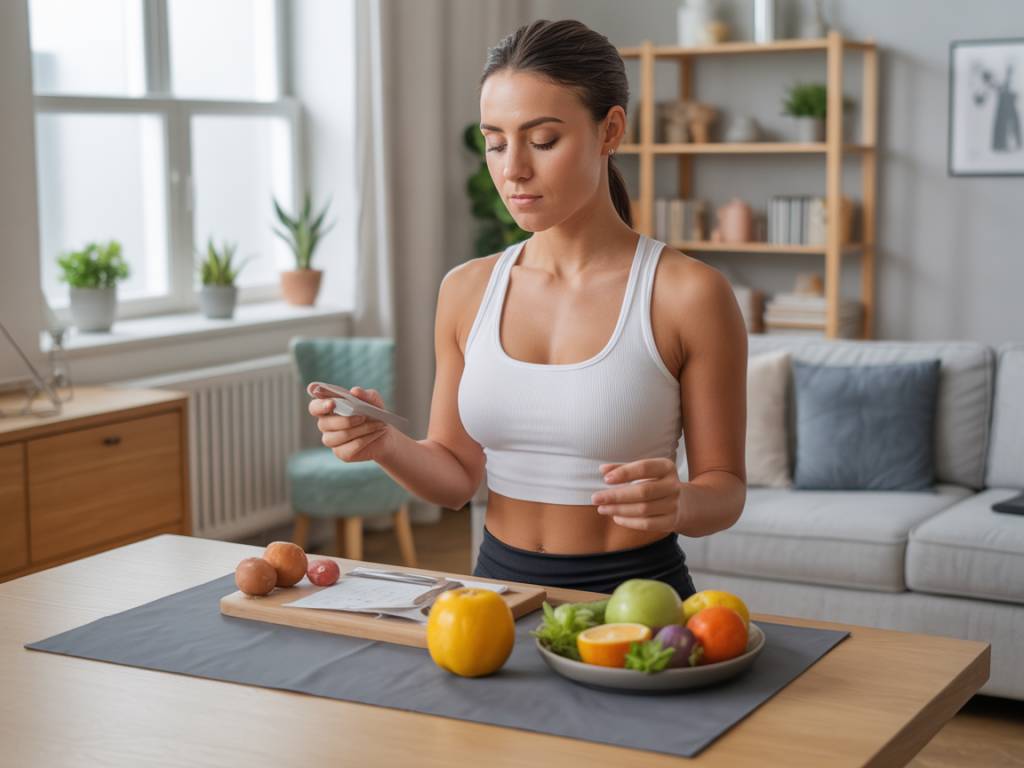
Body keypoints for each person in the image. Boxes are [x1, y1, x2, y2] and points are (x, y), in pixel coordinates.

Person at [308, 19, 747, 597]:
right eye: (494, 142)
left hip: (636, 601)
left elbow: (726, 489)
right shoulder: (466, 290)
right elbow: (456, 477)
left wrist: (681, 502)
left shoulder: (687, 294)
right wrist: (382, 443)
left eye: (542, 141)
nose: (512, 168)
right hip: (494, 597)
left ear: (610, 129)